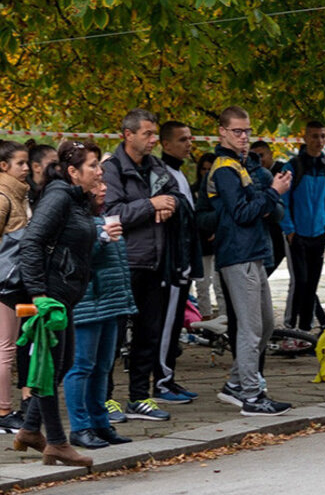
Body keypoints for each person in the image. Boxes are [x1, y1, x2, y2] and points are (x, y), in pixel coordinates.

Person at [14, 141, 109, 467]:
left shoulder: (76, 199)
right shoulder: (59, 197)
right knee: (50, 368)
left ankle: (30, 430)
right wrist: (38, 293)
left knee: (62, 365)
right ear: (73, 171)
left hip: (64, 295)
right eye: (93, 165)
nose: (100, 171)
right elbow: (31, 242)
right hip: (49, 297)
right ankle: (56, 442)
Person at [208, 106, 295, 416]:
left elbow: (256, 209)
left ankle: (235, 384)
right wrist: (272, 193)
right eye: (237, 131)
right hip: (238, 254)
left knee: (266, 325)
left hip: (254, 252)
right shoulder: (224, 169)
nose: (244, 136)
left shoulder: (240, 165)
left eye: (247, 131)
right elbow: (242, 213)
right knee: (250, 328)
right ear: (222, 132)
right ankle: (251, 396)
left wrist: (270, 196)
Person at [102, 109, 184, 420]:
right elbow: (112, 213)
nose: (153, 140)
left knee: (148, 334)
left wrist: (169, 204)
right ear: (128, 135)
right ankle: (104, 399)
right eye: (147, 134)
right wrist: (151, 205)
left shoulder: (157, 166)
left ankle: (139, 397)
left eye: (154, 134)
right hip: (123, 264)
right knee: (112, 338)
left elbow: (175, 194)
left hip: (155, 262)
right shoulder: (111, 170)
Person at [63, 180, 136, 450]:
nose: (103, 187)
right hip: (87, 303)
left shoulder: (102, 217)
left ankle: (100, 423)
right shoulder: (72, 216)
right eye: (96, 182)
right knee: (81, 366)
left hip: (110, 302)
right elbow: (73, 257)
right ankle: (80, 427)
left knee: (103, 366)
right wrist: (102, 238)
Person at [155, 120, 203, 405]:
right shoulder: (162, 175)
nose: (189, 144)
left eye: (190, 139)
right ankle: (161, 382)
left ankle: (168, 376)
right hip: (171, 264)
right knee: (165, 324)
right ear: (166, 144)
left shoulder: (179, 173)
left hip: (183, 261)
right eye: (182, 139)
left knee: (174, 325)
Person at [281, 121, 325, 330]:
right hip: (298, 234)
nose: (319, 141)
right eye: (314, 136)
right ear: (305, 138)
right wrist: (289, 229)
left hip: (319, 234)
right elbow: (283, 200)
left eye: (322, 136)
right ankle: (291, 327)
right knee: (301, 282)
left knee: (312, 284)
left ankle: (305, 329)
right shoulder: (292, 166)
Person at [0, 141, 30, 431]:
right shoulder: (3, 197)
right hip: (4, 285)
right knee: (5, 349)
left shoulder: (20, 194)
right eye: (20, 163)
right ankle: (3, 411)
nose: (26, 168)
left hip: (14, 284)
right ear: (3, 166)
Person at [191, 153, 225, 318]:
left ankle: (225, 318)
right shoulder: (194, 190)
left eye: (209, 169)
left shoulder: (224, 190)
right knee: (202, 284)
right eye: (203, 169)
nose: (206, 172)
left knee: (220, 285)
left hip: (220, 242)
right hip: (202, 243)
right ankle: (204, 317)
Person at [249, 141, 287, 271]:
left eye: (261, 155)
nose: (258, 160)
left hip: (282, 228)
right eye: (254, 156)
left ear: (270, 154)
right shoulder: (251, 174)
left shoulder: (283, 171)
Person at [26, 144, 57, 209]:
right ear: (36, 167)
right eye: (53, 164)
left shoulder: (58, 187)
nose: (58, 168)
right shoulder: (23, 191)